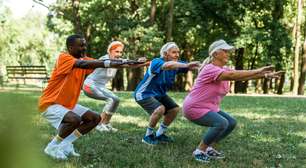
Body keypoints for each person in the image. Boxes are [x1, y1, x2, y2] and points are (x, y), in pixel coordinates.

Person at [38, 34, 139, 160]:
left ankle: (65, 143)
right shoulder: (64, 57)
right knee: (75, 120)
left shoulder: (83, 59)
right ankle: (52, 147)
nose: (84, 48)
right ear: (70, 47)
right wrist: (109, 63)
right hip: (50, 104)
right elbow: (85, 64)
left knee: (95, 119)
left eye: (85, 45)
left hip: (67, 105)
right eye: (80, 46)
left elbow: (103, 63)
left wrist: (133, 63)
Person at [182, 39, 284, 163]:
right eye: (225, 51)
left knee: (231, 122)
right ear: (215, 54)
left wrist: (265, 75)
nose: (228, 53)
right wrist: (258, 70)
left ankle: (210, 147)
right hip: (194, 107)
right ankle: (199, 151)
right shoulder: (210, 69)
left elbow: (241, 75)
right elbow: (232, 76)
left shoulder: (224, 68)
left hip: (208, 107)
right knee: (221, 123)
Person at [134, 42, 200, 145]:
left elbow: (192, 67)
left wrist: (204, 66)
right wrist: (186, 64)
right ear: (165, 54)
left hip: (159, 94)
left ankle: (160, 134)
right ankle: (148, 136)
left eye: (178, 52)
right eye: (174, 52)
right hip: (144, 93)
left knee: (174, 109)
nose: (177, 55)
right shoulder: (157, 62)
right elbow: (168, 66)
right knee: (160, 109)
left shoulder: (176, 64)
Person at [83, 41, 147, 132]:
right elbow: (124, 63)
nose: (119, 54)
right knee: (110, 100)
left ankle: (106, 123)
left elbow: (130, 65)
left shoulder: (118, 61)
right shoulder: (104, 59)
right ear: (109, 51)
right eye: (116, 51)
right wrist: (134, 62)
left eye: (121, 52)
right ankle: (98, 124)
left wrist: (143, 62)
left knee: (116, 99)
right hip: (89, 86)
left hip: (100, 87)